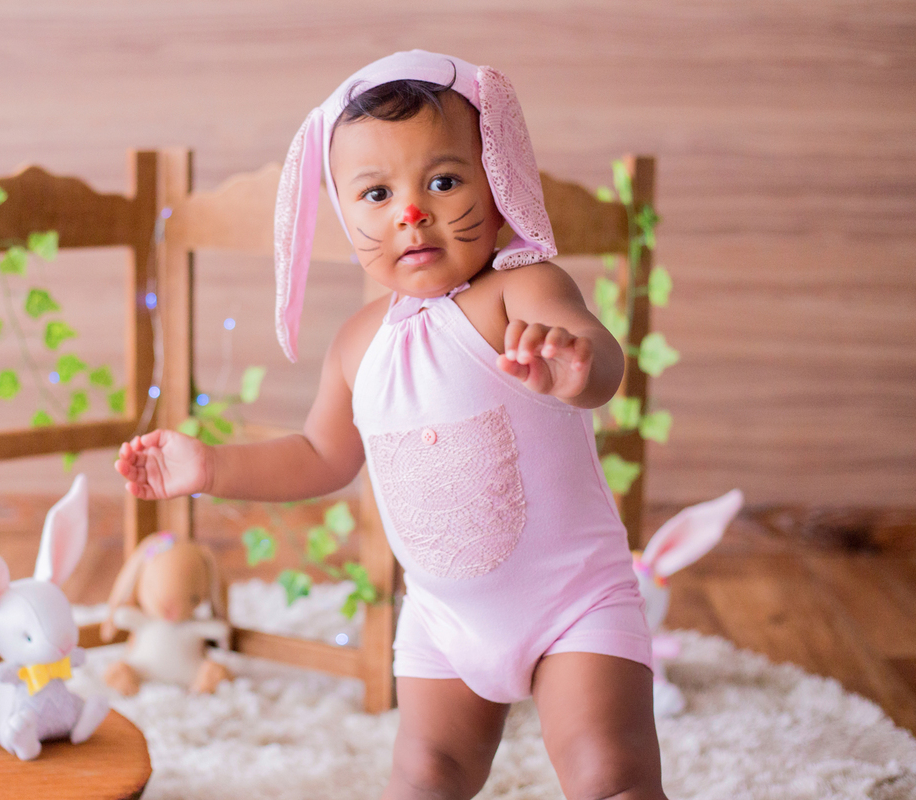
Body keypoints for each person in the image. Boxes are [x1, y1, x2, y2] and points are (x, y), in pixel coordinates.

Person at [116, 50, 667, 800]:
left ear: (498, 181)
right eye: (377, 193)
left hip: (573, 603)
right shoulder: (357, 343)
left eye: (443, 181)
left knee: (608, 771)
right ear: (344, 214)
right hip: (444, 621)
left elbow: (599, 358)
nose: (412, 212)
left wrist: (576, 366)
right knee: (425, 775)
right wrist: (211, 467)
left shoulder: (521, 289)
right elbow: (320, 455)